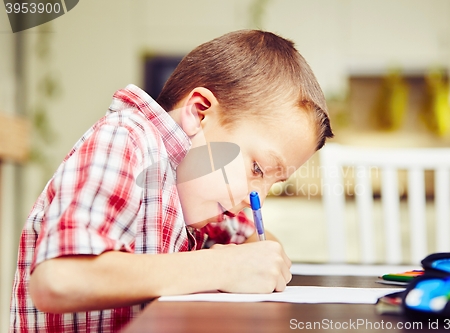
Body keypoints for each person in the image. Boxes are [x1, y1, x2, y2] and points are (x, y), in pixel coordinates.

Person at [10, 29, 334, 332]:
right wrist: (219, 266)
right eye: (258, 170)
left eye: (272, 184)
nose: (257, 198)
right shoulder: (126, 141)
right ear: (199, 112)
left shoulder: (195, 190)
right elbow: (58, 280)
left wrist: (261, 260)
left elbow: (258, 242)